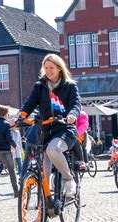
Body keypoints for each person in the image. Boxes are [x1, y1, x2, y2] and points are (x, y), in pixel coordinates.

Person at [18, 53, 81, 198]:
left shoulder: (70, 86)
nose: (48, 71)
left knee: (53, 150)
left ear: (59, 68)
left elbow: (76, 104)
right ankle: (45, 205)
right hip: (45, 130)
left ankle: (68, 179)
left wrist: (72, 115)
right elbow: (29, 104)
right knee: (43, 170)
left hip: (64, 129)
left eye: (51, 67)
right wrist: (20, 117)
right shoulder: (40, 86)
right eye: (46, 68)